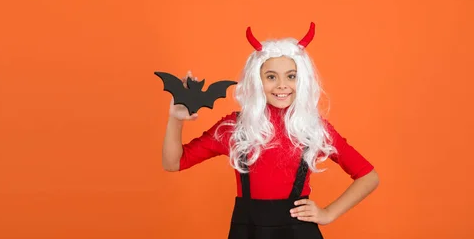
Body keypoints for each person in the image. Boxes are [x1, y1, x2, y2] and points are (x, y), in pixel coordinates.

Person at [160, 22, 380, 239]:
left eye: (291, 76)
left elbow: (368, 176)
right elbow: (173, 162)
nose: (282, 85)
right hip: (248, 232)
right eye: (271, 76)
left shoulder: (313, 128)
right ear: (257, 80)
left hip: (299, 232)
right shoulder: (235, 128)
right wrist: (176, 118)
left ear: (302, 80)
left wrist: (328, 213)